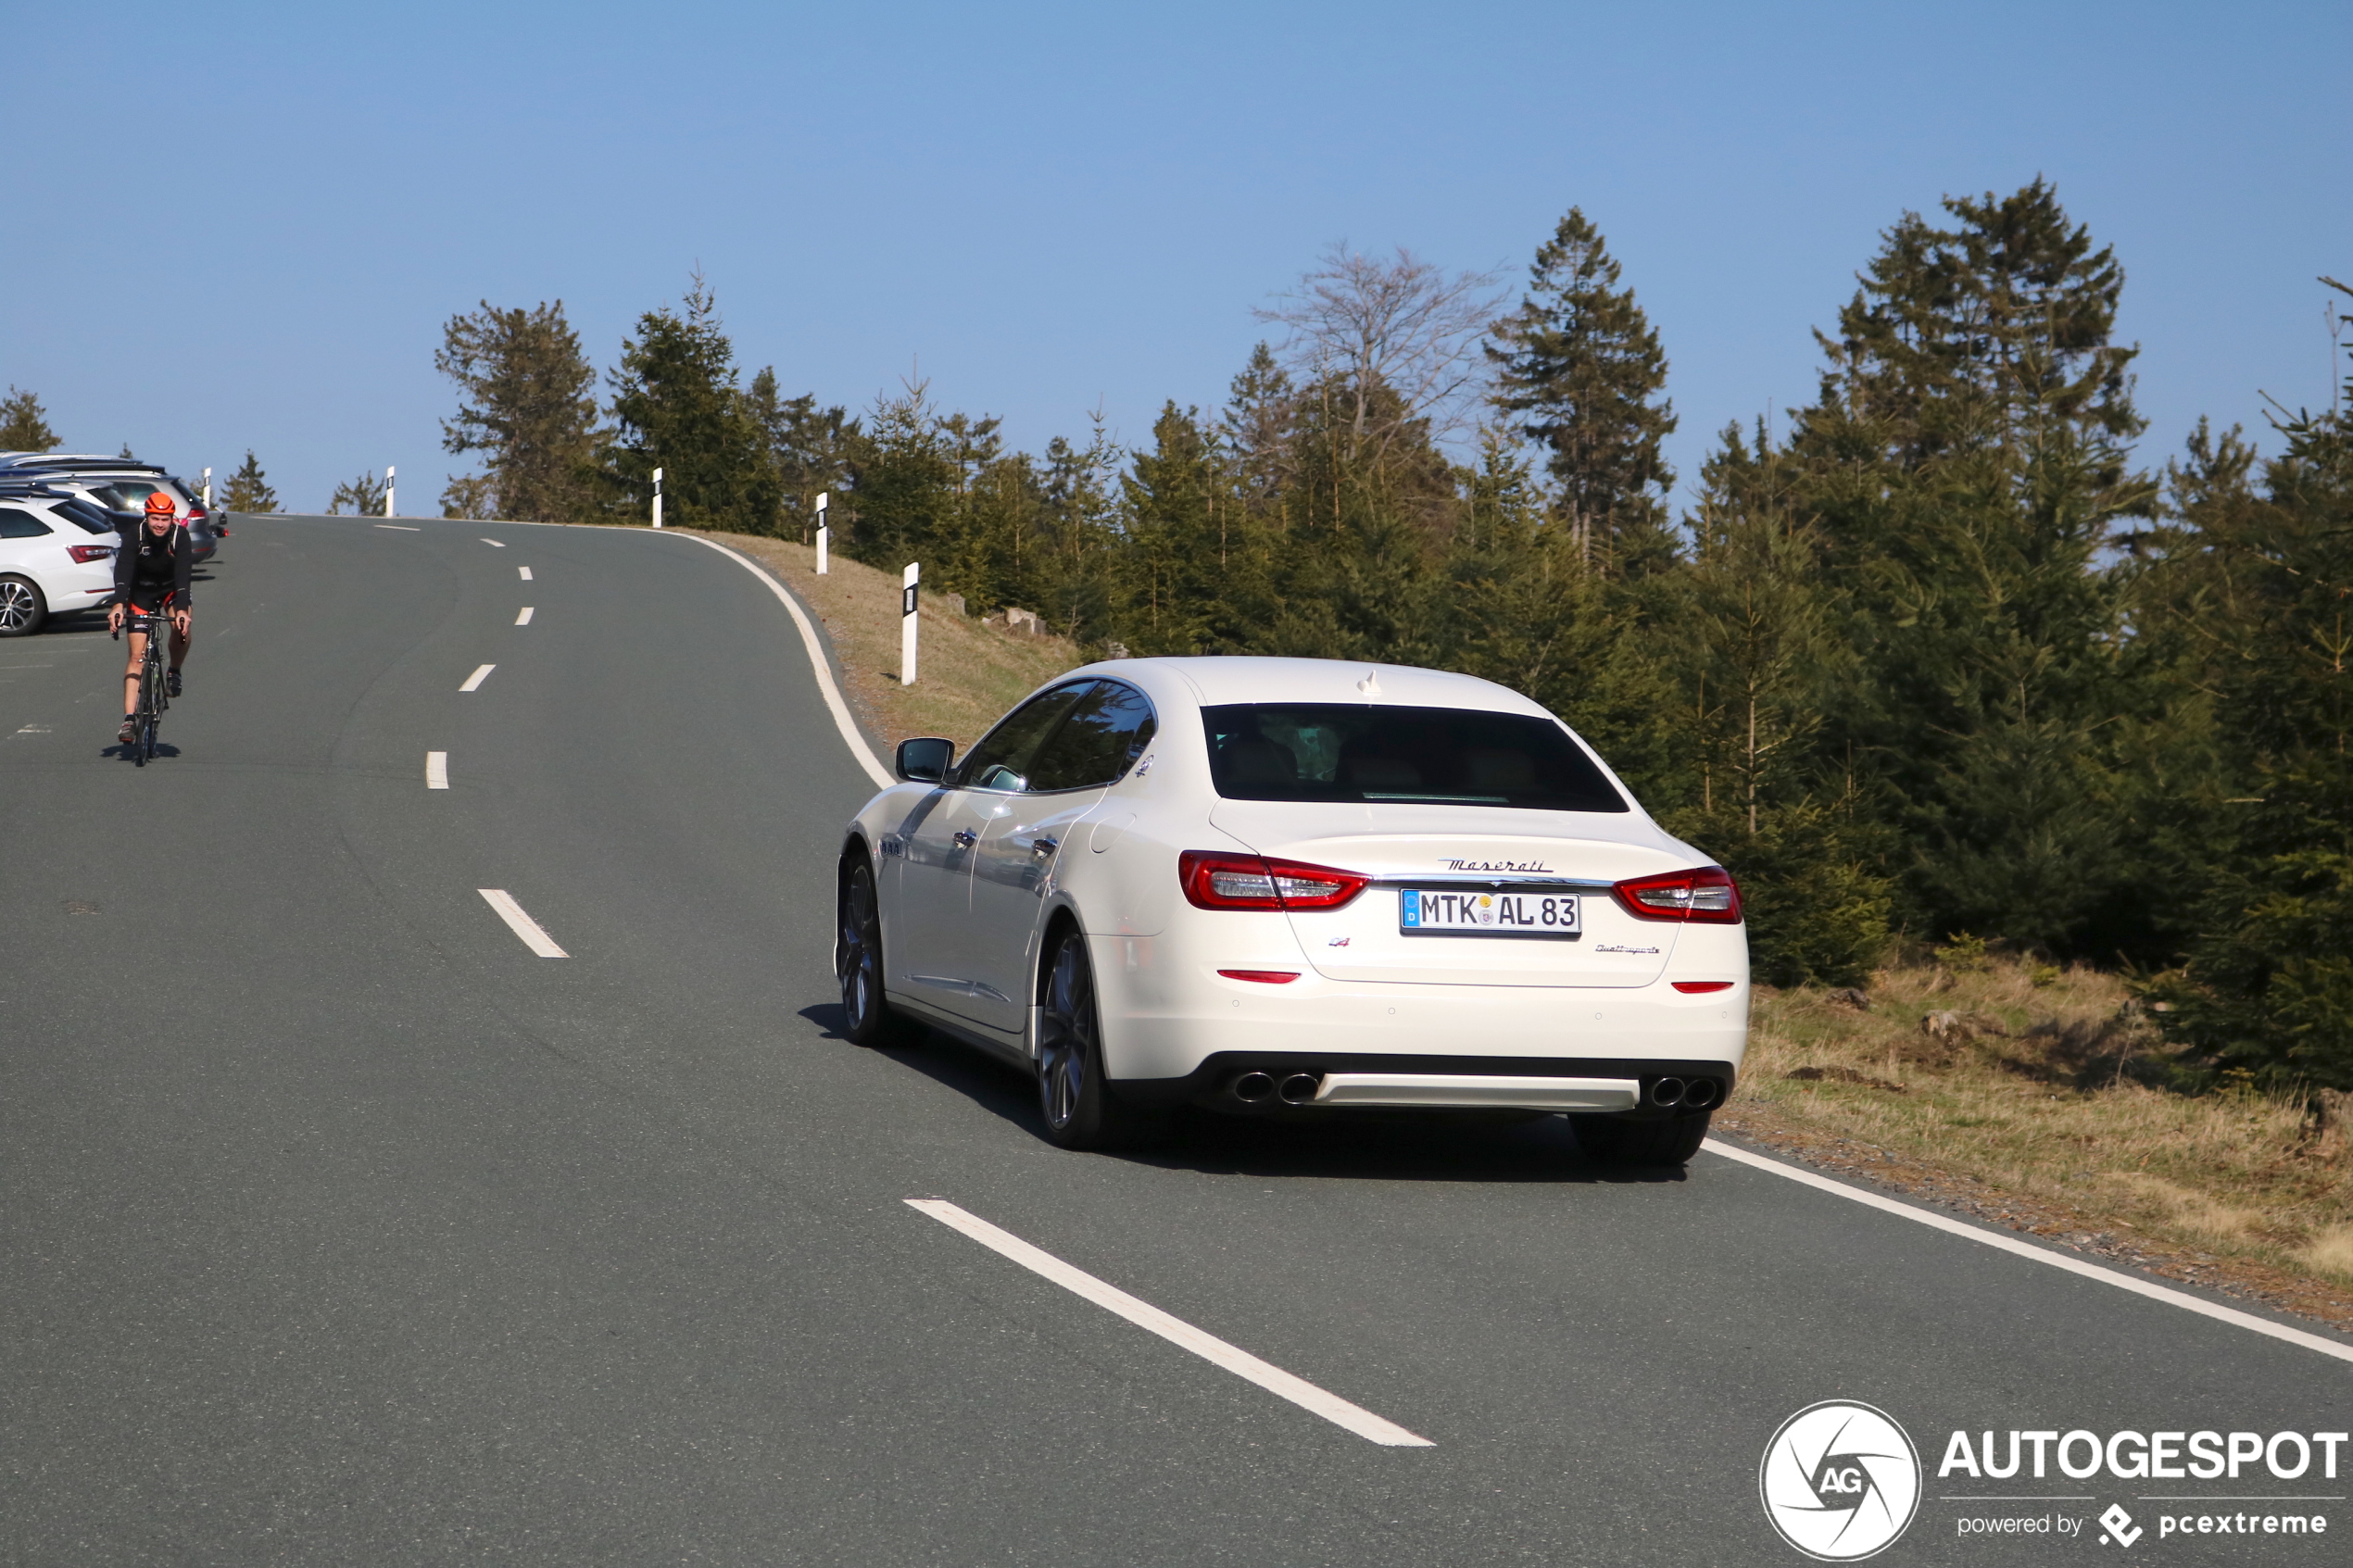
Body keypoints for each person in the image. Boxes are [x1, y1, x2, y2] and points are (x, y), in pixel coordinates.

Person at [109, 490, 194, 745]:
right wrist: (118, 605)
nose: (159, 524)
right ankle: (129, 719)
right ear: (147, 517)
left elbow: (183, 577)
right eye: (155, 518)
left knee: (183, 627)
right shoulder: (135, 534)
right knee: (136, 656)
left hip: (170, 590)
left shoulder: (180, 536)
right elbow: (123, 570)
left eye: (165, 519)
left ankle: (174, 671)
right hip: (141, 592)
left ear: (172, 520)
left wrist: (181, 610)